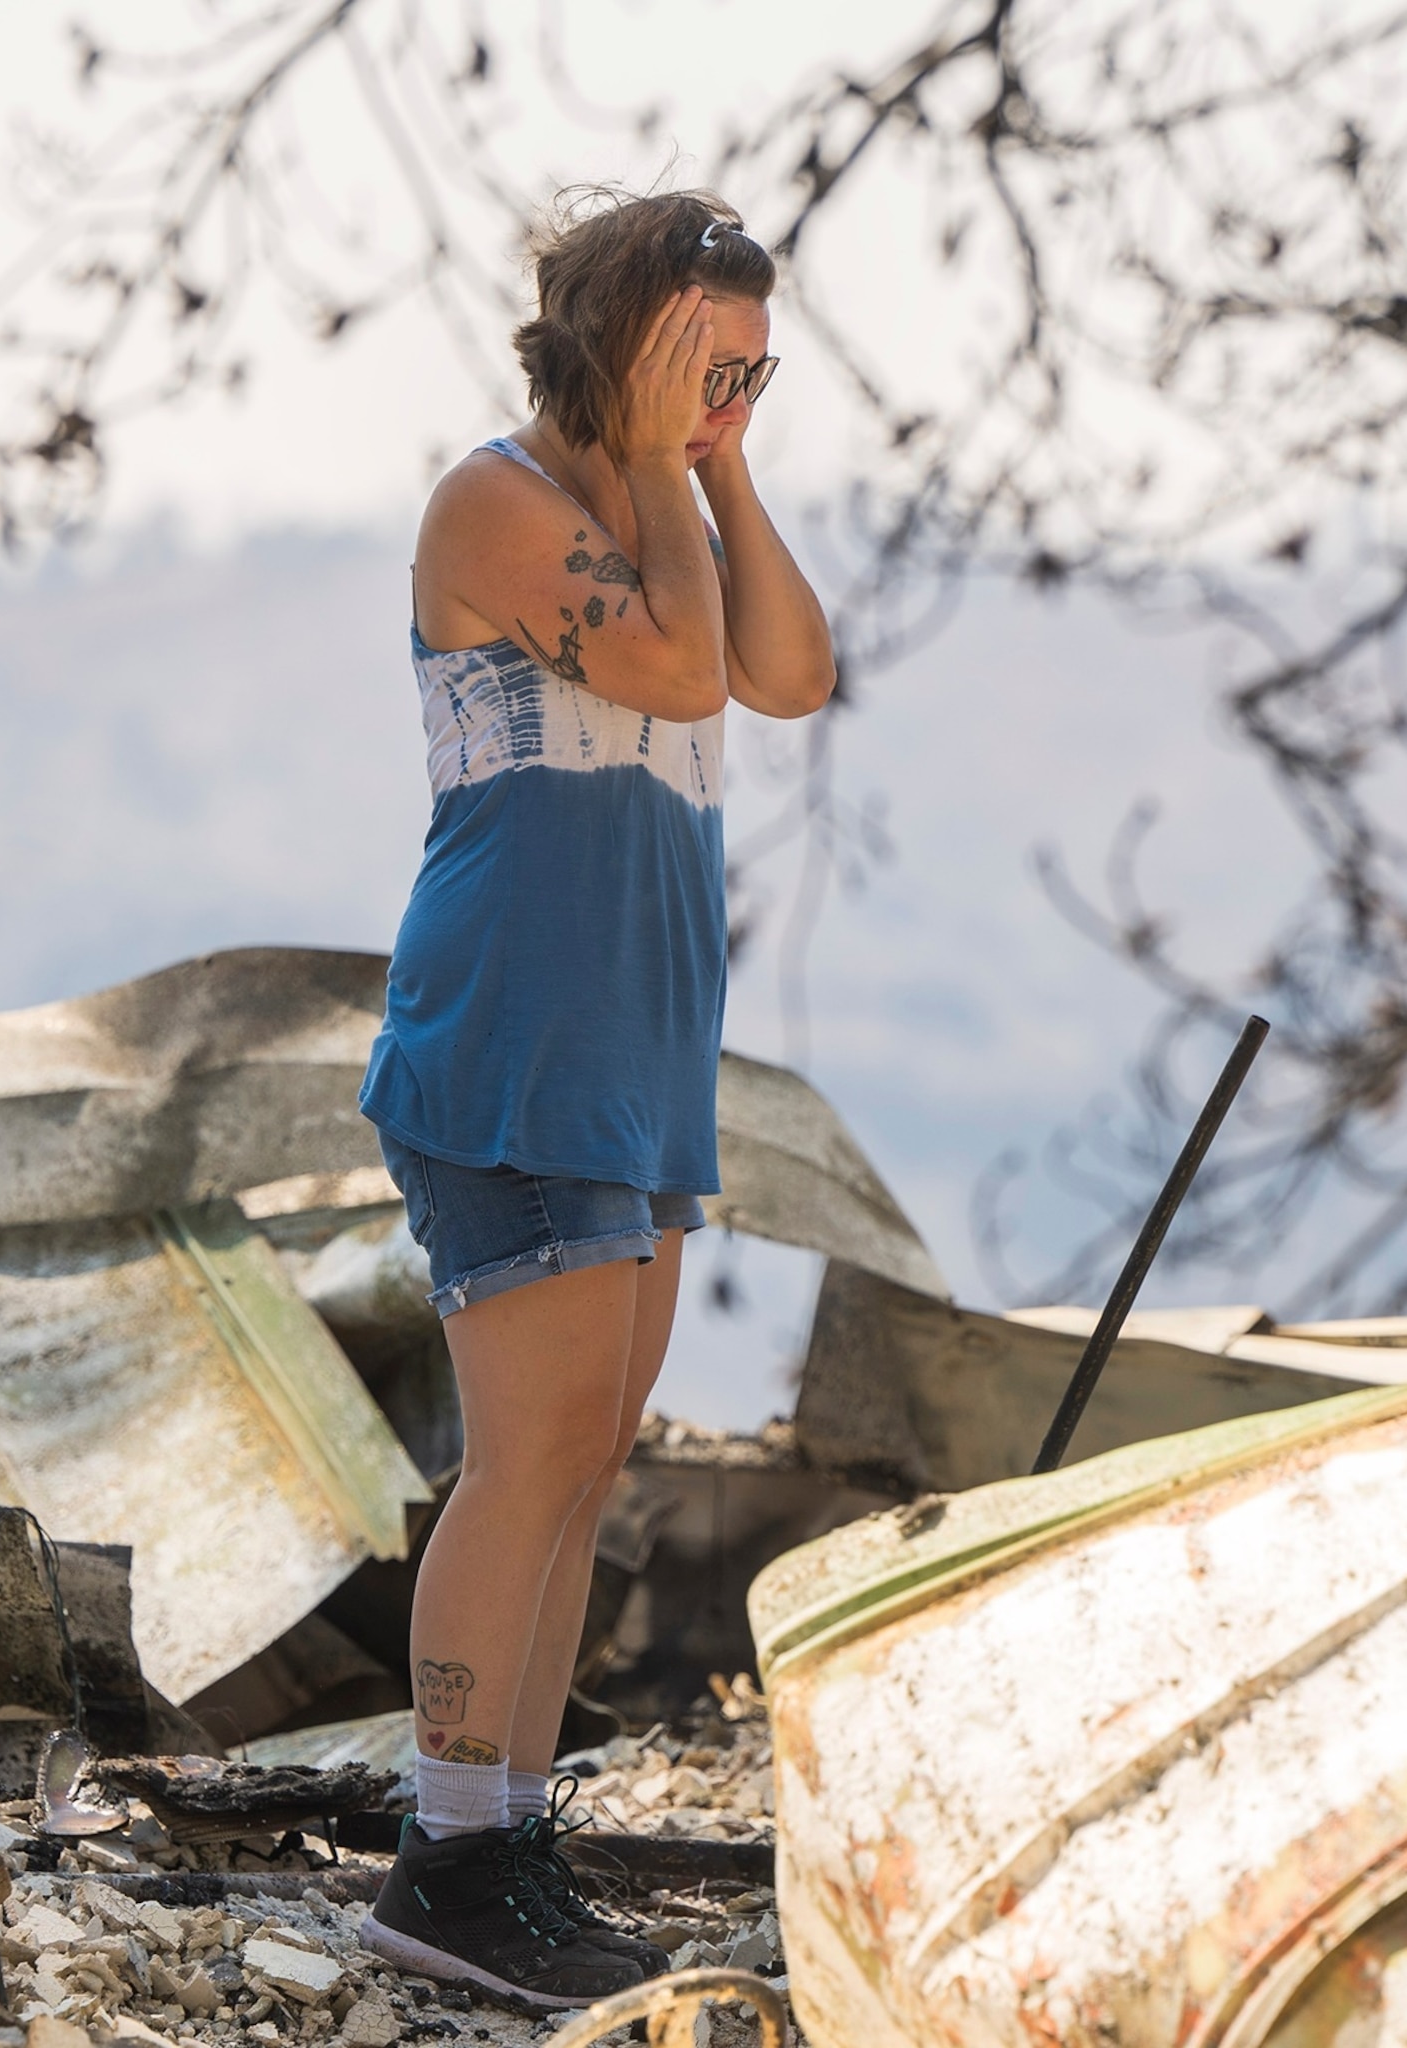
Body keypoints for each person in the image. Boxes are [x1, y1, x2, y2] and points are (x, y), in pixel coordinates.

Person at [354, 188, 837, 2006]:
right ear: (618, 334)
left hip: (634, 1055)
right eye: (705, 356)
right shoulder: (497, 503)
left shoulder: (666, 517)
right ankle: (445, 1856)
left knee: (585, 1466)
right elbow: (675, 667)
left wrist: (709, 470)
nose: (730, 389)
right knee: (528, 1459)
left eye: (754, 365)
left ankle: (508, 1830)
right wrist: (649, 463)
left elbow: (789, 673)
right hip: (516, 1035)